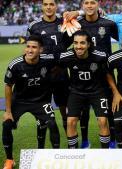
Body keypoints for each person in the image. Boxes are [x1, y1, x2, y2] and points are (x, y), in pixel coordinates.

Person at [27, 0, 88, 148]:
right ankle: (40, 148)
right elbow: (30, 49)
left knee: (66, 114)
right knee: (42, 115)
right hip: (43, 77)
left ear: (56, 6)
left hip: (62, 76)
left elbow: (94, 13)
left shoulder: (66, 21)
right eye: (46, 4)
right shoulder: (34, 26)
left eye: (51, 4)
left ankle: (70, 148)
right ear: (42, 6)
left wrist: (78, 12)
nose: (48, 7)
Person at [2, 35, 60, 169]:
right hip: (20, 101)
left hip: (41, 101)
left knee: (51, 122)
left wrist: (51, 78)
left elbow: (60, 64)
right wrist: (8, 111)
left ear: (41, 50)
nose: (29, 50)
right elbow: (8, 86)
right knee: (6, 124)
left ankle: (54, 155)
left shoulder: (48, 60)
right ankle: (9, 160)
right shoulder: (15, 65)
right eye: (28, 46)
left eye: (34, 47)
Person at [76, 0, 119, 148]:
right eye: (86, 3)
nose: (89, 5)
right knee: (84, 111)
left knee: (110, 109)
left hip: (105, 73)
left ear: (98, 5)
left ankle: (112, 139)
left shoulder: (108, 23)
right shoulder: (77, 24)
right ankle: (85, 141)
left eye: (92, 2)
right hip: (83, 73)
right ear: (82, 6)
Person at [59, 30, 110, 149]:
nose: (78, 46)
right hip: (76, 92)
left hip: (97, 91)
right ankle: (73, 153)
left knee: (102, 121)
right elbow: (56, 69)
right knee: (70, 122)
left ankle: (107, 153)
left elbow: (108, 74)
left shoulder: (100, 56)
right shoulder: (66, 57)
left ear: (88, 44)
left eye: (82, 43)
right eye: (75, 43)